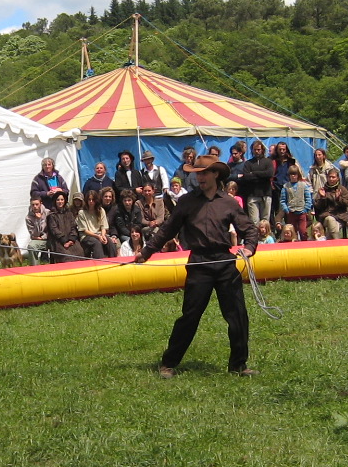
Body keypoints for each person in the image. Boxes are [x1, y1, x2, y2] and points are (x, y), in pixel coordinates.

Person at [134, 155, 260, 378]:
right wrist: (146, 252)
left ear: (215, 174)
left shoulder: (228, 202)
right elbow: (167, 230)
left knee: (238, 316)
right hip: (199, 263)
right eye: (197, 174)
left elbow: (249, 229)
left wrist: (249, 247)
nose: (199, 177)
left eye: (203, 173)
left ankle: (239, 365)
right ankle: (168, 363)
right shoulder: (187, 202)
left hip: (224, 262)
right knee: (190, 316)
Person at [238, 139, 275, 226]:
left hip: (266, 193)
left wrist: (254, 173)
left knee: (265, 221)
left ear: (262, 150)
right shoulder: (248, 163)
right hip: (252, 195)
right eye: (255, 150)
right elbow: (246, 176)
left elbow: (269, 174)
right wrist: (262, 175)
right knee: (254, 221)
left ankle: (266, 235)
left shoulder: (268, 162)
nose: (257, 151)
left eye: (259, 149)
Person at [45, 190, 83, 261]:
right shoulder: (52, 215)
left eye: (62, 199)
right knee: (67, 256)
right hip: (58, 241)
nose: (60, 202)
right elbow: (54, 230)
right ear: (55, 201)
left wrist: (71, 239)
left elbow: (73, 227)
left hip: (71, 240)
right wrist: (64, 240)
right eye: (58, 200)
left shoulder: (69, 213)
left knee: (80, 252)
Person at [314, 168, 348, 239]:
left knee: (332, 229)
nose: (331, 179)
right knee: (330, 220)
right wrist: (323, 197)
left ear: (337, 178)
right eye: (329, 177)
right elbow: (317, 206)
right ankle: (337, 242)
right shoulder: (322, 190)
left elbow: (347, 203)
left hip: (340, 217)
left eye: (333, 177)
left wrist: (338, 199)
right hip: (326, 217)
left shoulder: (342, 189)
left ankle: (330, 241)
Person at [279, 165, 313, 236]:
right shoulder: (285, 186)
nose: (293, 176)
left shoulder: (304, 185)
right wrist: (286, 209)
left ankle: (304, 242)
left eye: (294, 174)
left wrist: (306, 209)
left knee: (303, 231)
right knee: (292, 232)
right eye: (291, 174)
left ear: (298, 175)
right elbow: (282, 200)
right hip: (291, 213)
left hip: (302, 213)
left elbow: (308, 198)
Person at [77, 189, 109, 259]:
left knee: (110, 242)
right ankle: (100, 262)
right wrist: (98, 237)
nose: (91, 202)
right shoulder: (82, 212)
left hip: (99, 233)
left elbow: (103, 226)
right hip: (86, 236)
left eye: (93, 200)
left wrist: (103, 235)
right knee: (96, 243)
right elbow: (85, 230)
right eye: (89, 199)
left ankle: (114, 261)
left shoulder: (101, 210)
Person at [24, 196, 49, 264]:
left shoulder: (48, 213)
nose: (35, 206)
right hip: (39, 240)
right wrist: (38, 220)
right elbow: (34, 234)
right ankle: (34, 267)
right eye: (33, 205)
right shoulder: (28, 218)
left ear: (41, 204)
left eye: (37, 204)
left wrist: (43, 237)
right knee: (31, 247)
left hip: (49, 238)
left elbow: (52, 228)